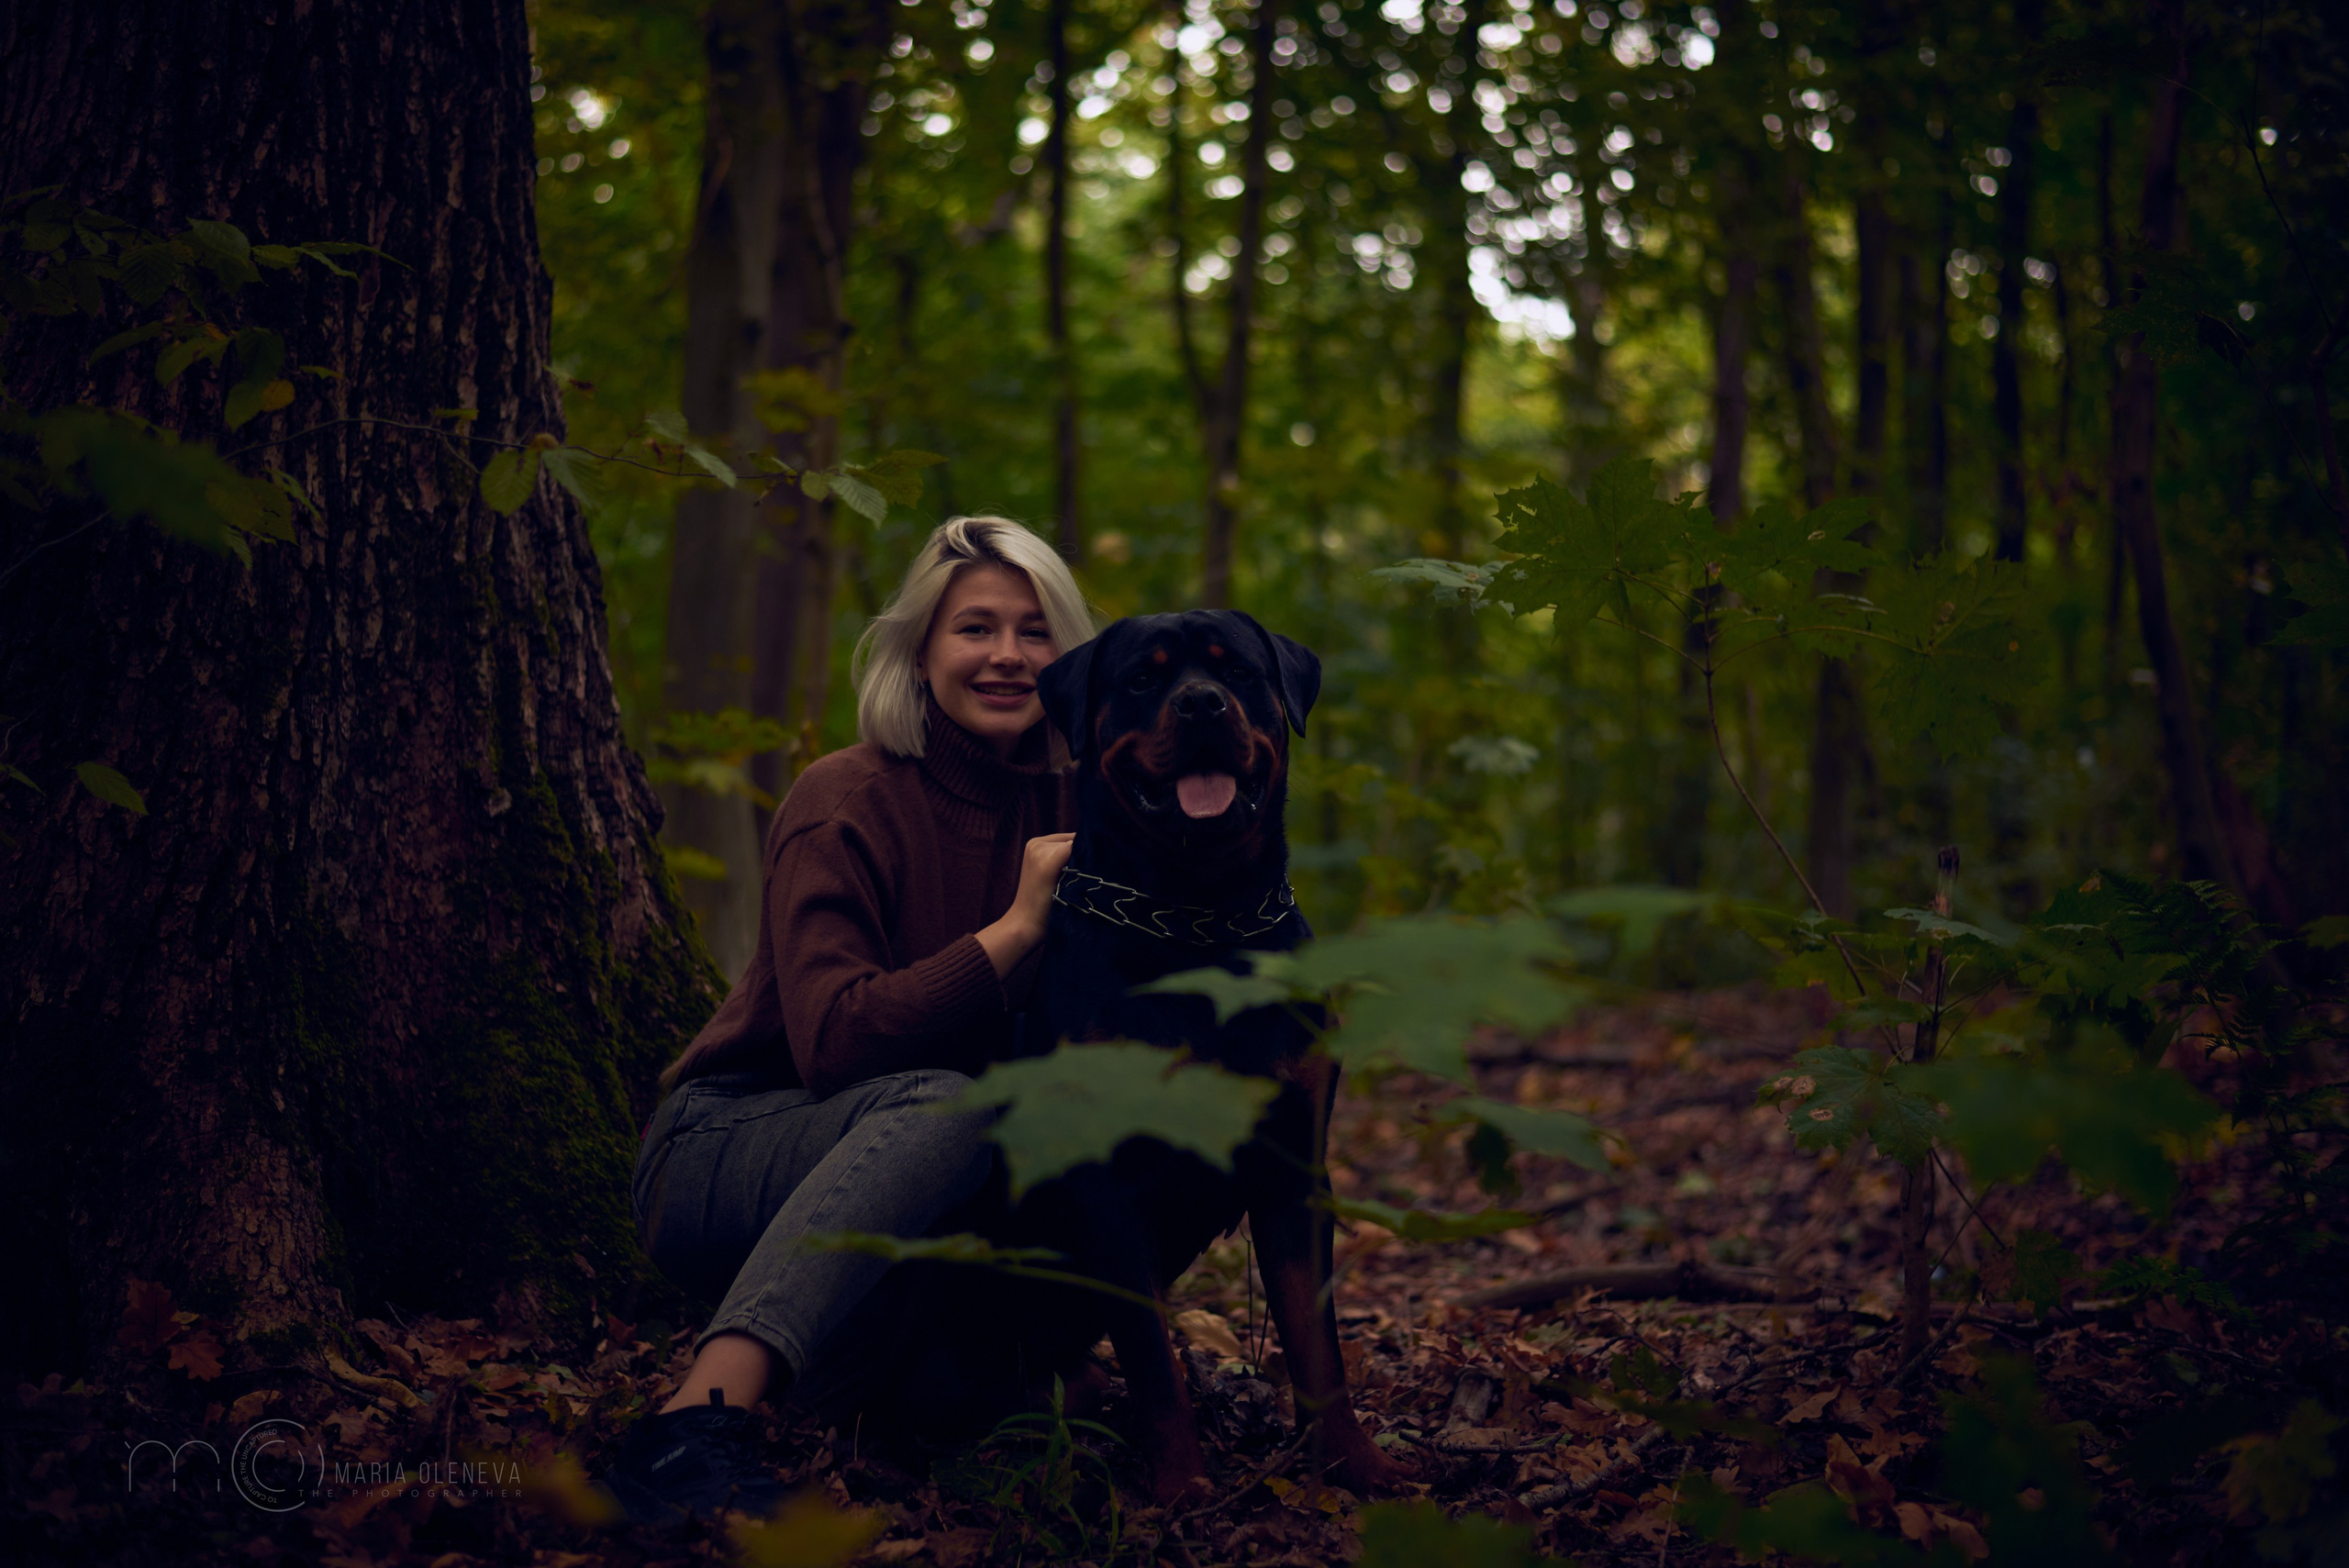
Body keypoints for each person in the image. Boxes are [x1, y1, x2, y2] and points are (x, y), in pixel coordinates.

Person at [603, 517, 1092, 1520]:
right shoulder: (847, 795)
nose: (1006, 654)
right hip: (733, 1139)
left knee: (948, 1393)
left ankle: (860, 1403)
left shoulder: (1083, 805)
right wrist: (1015, 930)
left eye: (1035, 630)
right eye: (975, 627)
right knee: (950, 1104)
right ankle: (688, 1420)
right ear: (921, 651)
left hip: (927, 1185)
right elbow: (831, 1040)